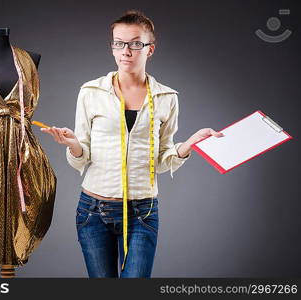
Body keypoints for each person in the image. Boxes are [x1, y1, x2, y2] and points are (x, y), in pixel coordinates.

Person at [41, 10, 223, 277]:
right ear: (112, 46)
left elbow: (160, 161)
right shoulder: (91, 92)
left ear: (150, 49)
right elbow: (82, 157)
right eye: (119, 43)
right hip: (93, 211)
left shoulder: (166, 98)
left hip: (143, 211)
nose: (126, 50)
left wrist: (189, 144)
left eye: (135, 43)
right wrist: (73, 145)